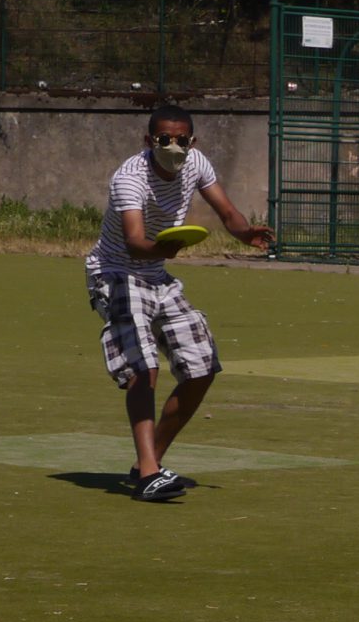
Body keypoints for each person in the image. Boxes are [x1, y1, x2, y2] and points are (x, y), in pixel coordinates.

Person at [84, 103, 271, 502]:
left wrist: (245, 233)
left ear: (192, 141)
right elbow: (135, 242)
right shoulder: (129, 178)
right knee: (143, 366)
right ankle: (150, 472)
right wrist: (165, 247)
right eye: (164, 139)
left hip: (158, 277)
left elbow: (227, 211)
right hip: (116, 274)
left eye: (180, 140)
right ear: (148, 140)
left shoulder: (196, 163)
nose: (173, 146)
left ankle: (148, 468)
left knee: (202, 366)